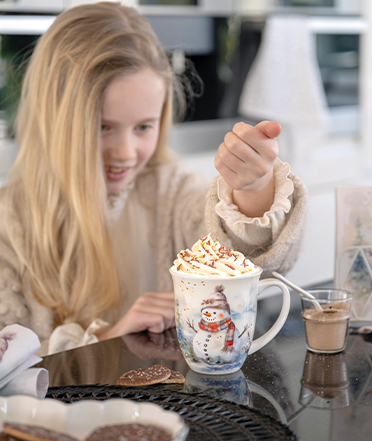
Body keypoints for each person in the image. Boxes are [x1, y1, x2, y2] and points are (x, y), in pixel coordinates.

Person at [0, 1, 307, 356]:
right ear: (53, 119)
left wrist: (253, 190)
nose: (126, 153)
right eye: (103, 127)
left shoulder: (173, 192)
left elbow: (247, 263)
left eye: (143, 127)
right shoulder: (10, 225)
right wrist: (110, 340)